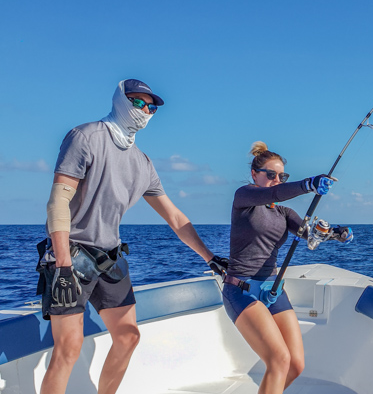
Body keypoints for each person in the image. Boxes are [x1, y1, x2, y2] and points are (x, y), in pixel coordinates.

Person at [38, 78, 228, 394]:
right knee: (68, 348)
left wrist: (211, 258)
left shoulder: (143, 163)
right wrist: (61, 266)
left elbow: (175, 218)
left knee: (128, 337)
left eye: (151, 106)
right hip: (70, 254)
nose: (145, 110)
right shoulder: (84, 137)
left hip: (109, 257)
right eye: (138, 102)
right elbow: (58, 201)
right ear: (120, 100)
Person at [221, 141, 352, 393]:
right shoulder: (244, 198)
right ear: (254, 175)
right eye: (271, 175)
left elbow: (309, 233)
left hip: (274, 289)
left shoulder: (284, 213)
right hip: (241, 289)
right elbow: (272, 194)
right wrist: (308, 184)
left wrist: (336, 233)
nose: (277, 180)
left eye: (282, 176)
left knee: (295, 365)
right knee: (278, 360)